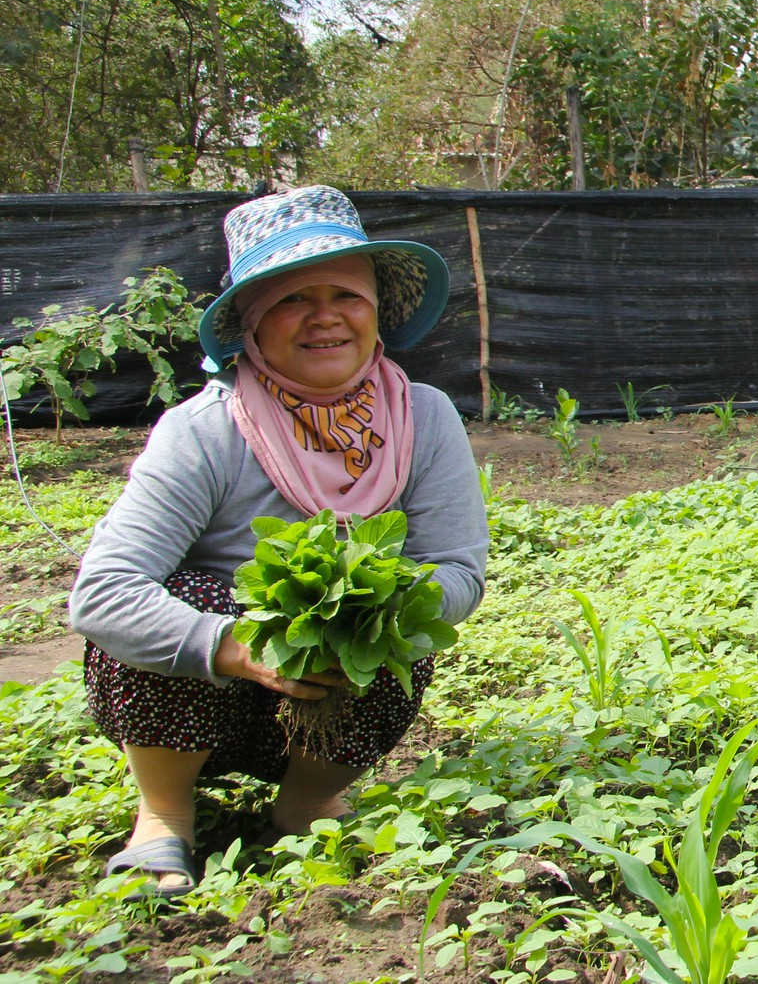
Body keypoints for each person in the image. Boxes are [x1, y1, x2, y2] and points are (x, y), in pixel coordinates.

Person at [69, 186, 488, 897]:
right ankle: (164, 814)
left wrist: (370, 610)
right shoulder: (205, 430)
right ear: (253, 324)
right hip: (198, 695)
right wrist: (240, 644)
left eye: (346, 295)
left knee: (398, 618)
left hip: (331, 700)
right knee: (192, 590)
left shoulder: (425, 417)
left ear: (376, 309)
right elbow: (103, 592)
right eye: (293, 299)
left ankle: (307, 801)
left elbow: (457, 568)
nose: (326, 316)